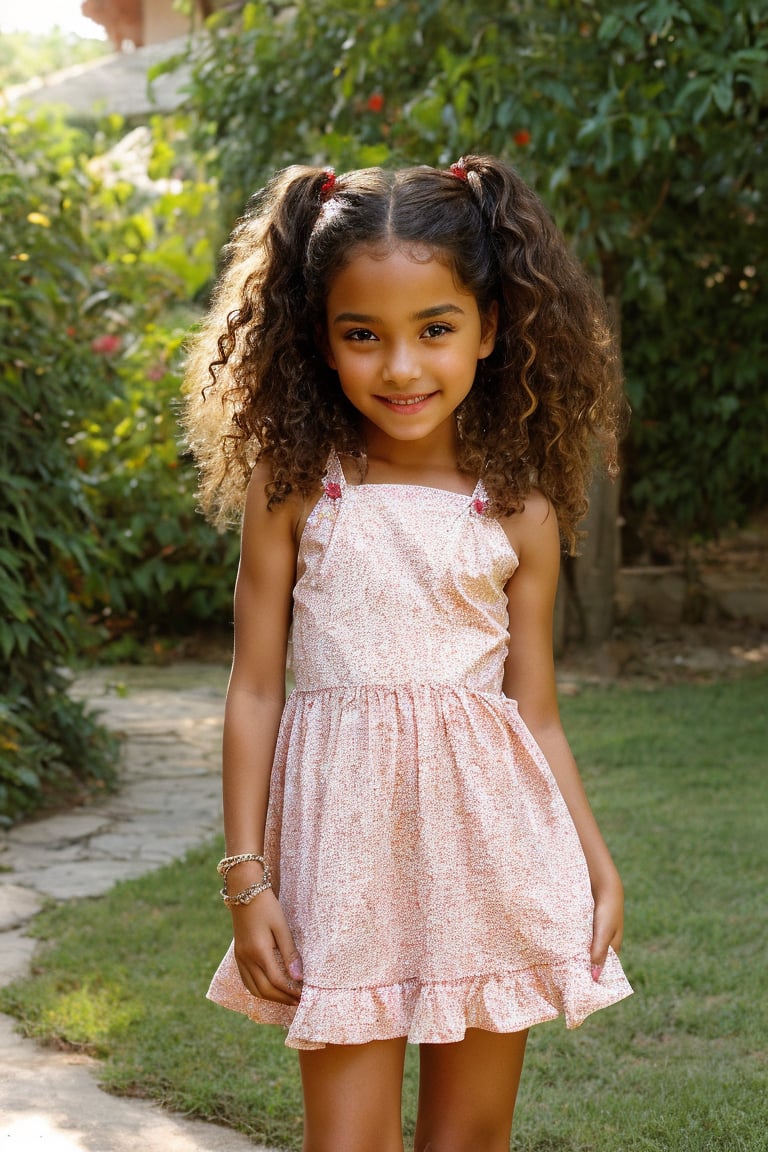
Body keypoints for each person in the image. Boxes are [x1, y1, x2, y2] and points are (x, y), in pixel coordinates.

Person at [183, 154, 633, 1152]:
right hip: (340, 864)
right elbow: (256, 691)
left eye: (435, 329)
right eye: (362, 336)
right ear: (320, 341)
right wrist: (246, 881)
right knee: (347, 1143)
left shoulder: (520, 514)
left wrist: (596, 864)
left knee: (470, 1138)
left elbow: (536, 714)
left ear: (491, 328)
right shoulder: (299, 487)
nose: (400, 367)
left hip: (488, 855)